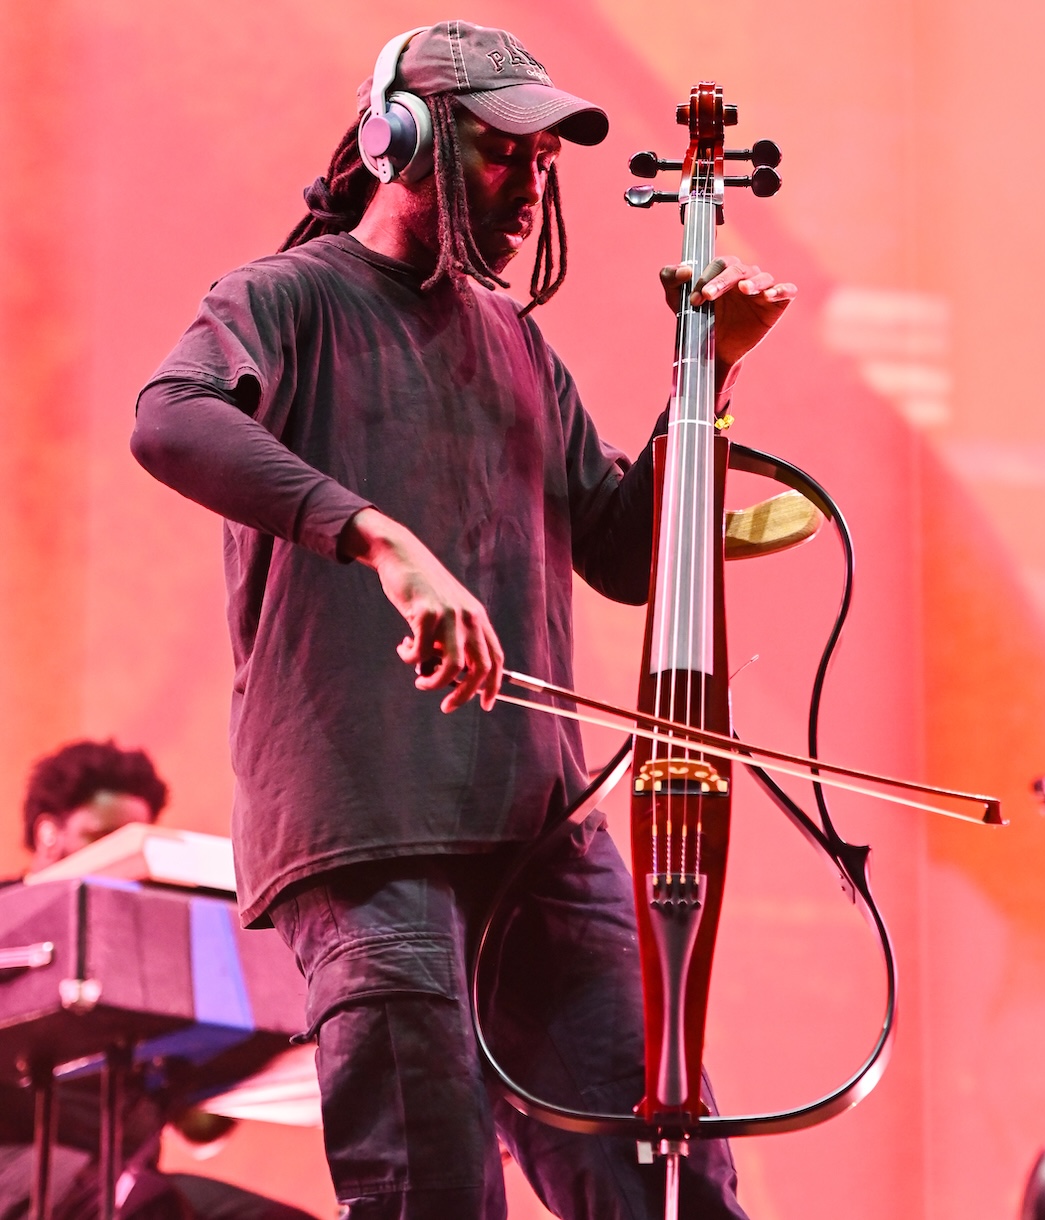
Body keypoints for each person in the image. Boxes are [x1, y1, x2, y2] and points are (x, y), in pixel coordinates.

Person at [130, 20, 796, 1220]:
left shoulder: (519, 346)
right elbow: (170, 419)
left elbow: (618, 552)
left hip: (540, 835)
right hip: (369, 824)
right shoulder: (284, 299)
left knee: (667, 1175)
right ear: (399, 141)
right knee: (434, 1187)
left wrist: (709, 379)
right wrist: (377, 536)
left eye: (543, 163)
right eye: (502, 154)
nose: (532, 187)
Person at [0, 740, 319, 1220]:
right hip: (17, 1167)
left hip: (128, 1179)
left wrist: (240, 1052)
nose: (125, 862)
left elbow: (200, 1130)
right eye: (104, 838)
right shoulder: (9, 919)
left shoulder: (137, 945)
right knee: (143, 1205)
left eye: (136, 843)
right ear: (49, 834)